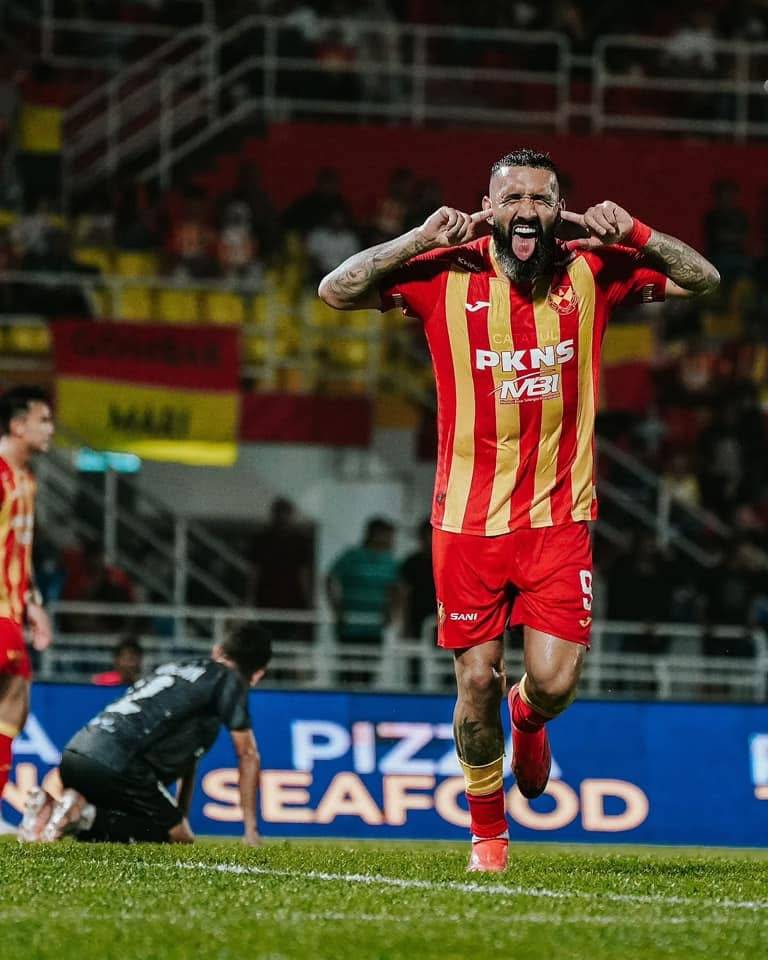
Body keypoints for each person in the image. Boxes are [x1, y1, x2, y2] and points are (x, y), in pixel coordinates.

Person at [319, 147, 719, 872]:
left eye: (541, 198)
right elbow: (335, 291)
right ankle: (488, 838)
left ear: (559, 208)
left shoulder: (593, 267)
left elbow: (704, 279)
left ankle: (528, 720)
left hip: (557, 520)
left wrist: (636, 232)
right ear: (489, 208)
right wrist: (416, 238)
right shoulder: (444, 270)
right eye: (512, 198)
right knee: (476, 681)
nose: (527, 210)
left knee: (555, 685)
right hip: (466, 525)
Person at [20, 622, 272, 846]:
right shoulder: (228, 680)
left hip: (77, 752)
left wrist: (179, 814)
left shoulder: (178, 668)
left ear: (217, 650)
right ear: (258, 674)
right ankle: (83, 815)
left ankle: (53, 804)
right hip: (119, 763)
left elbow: (190, 757)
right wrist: (250, 830)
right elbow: (248, 754)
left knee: (146, 822)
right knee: (180, 837)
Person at [0, 386, 54, 835]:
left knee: (12, 707)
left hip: (12, 612)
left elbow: (21, 549)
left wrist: (33, 603)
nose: (50, 429)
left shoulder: (27, 479)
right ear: (18, 426)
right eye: (44, 420)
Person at [326, 516, 398, 683]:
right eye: (386, 535)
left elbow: (396, 589)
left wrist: (391, 611)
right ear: (374, 534)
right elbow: (330, 578)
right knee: (346, 672)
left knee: (368, 674)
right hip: (349, 625)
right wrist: (336, 608)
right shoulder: (352, 556)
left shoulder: (390, 561)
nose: (390, 539)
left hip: (374, 627)